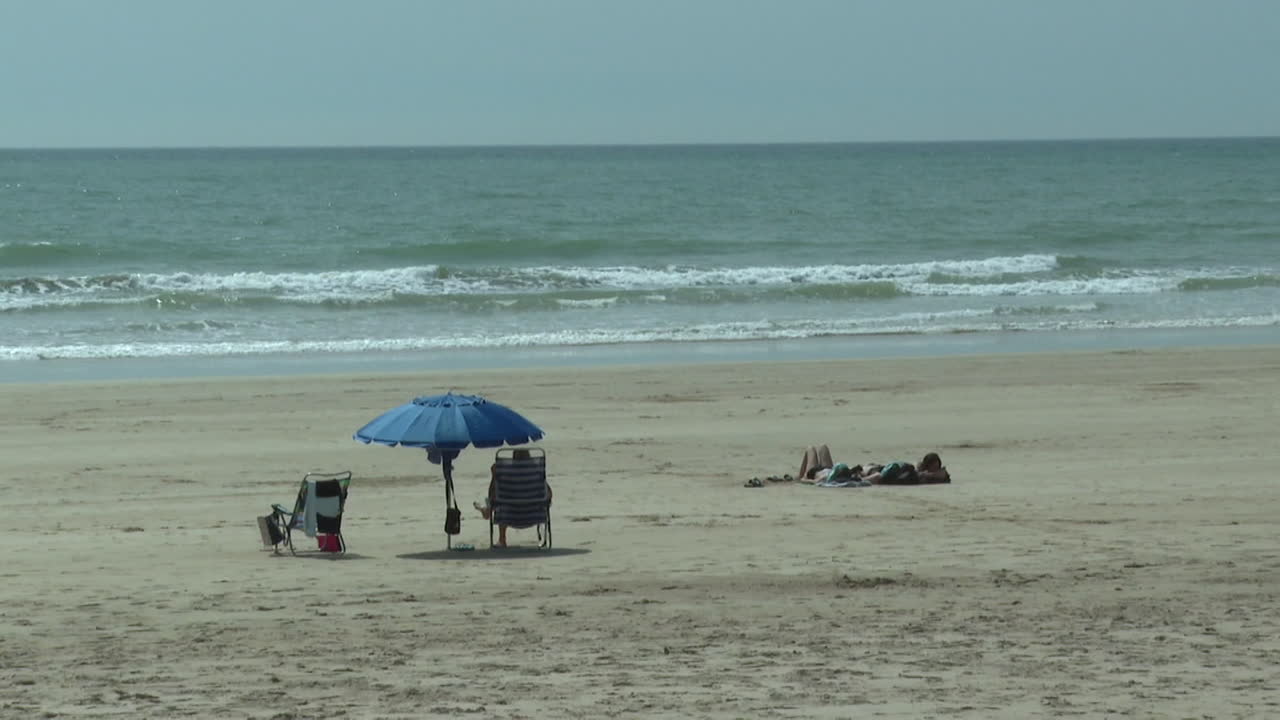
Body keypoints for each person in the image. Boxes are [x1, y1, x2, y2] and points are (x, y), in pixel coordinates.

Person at [473, 448, 552, 547]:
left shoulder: (505, 472)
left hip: (509, 515)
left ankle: (502, 538)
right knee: (503, 500)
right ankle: (486, 511)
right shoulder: (536, 471)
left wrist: (494, 476)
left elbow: (492, 495)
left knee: (501, 501)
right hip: (534, 514)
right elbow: (549, 494)